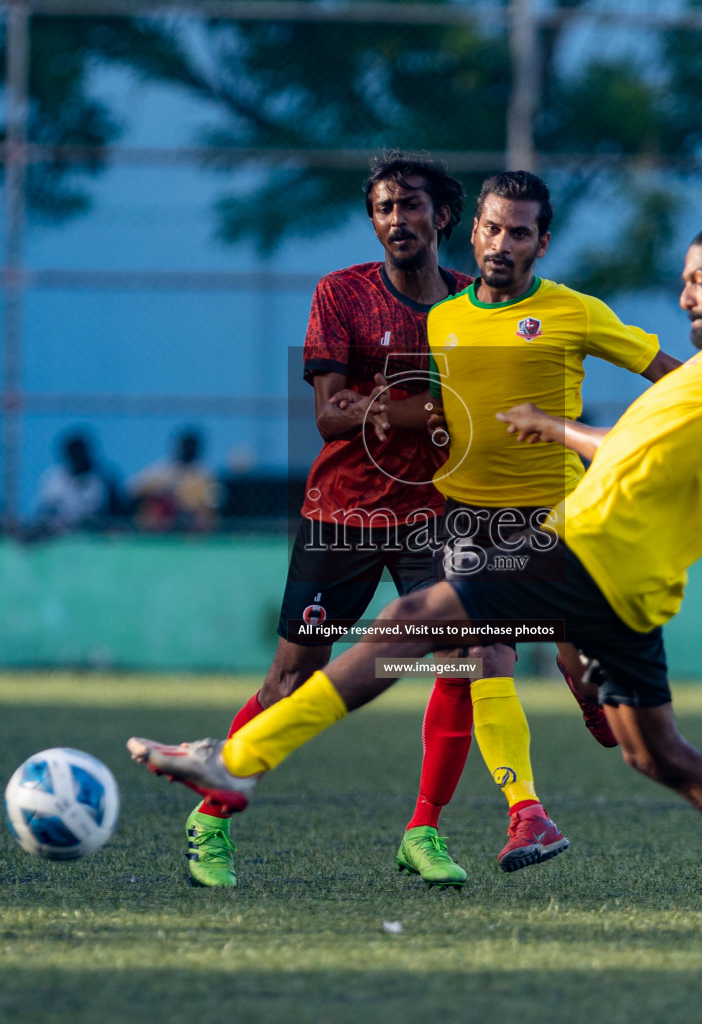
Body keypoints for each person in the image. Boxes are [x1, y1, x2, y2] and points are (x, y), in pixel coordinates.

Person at [126, 215, 702, 926]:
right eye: (682, 280)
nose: (685, 295)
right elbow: (627, 444)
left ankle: (239, 761)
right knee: (656, 753)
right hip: (629, 584)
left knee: (417, 625)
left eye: (699, 279)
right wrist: (557, 430)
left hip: (585, 551)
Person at [339, 170, 702, 877]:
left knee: (597, 697)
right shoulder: (442, 318)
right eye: (492, 227)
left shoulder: (573, 311)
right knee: (484, 656)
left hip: (562, 519)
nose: (502, 243)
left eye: (520, 232)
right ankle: (525, 814)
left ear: (543, 243)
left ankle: (591, 698)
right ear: (472, 230)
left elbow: (664, 365)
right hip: (469, 518)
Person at [171, 152, 475, 888]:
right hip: (341, 514)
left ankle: (423, 831)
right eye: (382, 208)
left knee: (464, 663)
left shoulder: (473, 304)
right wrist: (428, 411)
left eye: (409, 206)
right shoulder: (341, 293)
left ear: (443, 216)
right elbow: (330, 416)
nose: (396, 220)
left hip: (432, 515)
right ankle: (210, 819)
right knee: (291, 682)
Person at [130, 428, 224, 532]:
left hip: (191, 520)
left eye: (191, 447)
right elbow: (133, 489)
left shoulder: (205, 474)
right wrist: (164, 490)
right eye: (185, 447)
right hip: (164, 519)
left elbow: (213, 502)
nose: (188, 450)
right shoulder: (162, 470)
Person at [35, 429, 113, 533]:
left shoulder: (99, 479)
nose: (79, 458)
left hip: (89, 530)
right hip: (58, 529)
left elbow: (101, 512)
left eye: (82, 453)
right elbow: (47, 508)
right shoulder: (55, 478)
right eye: (75, 454)